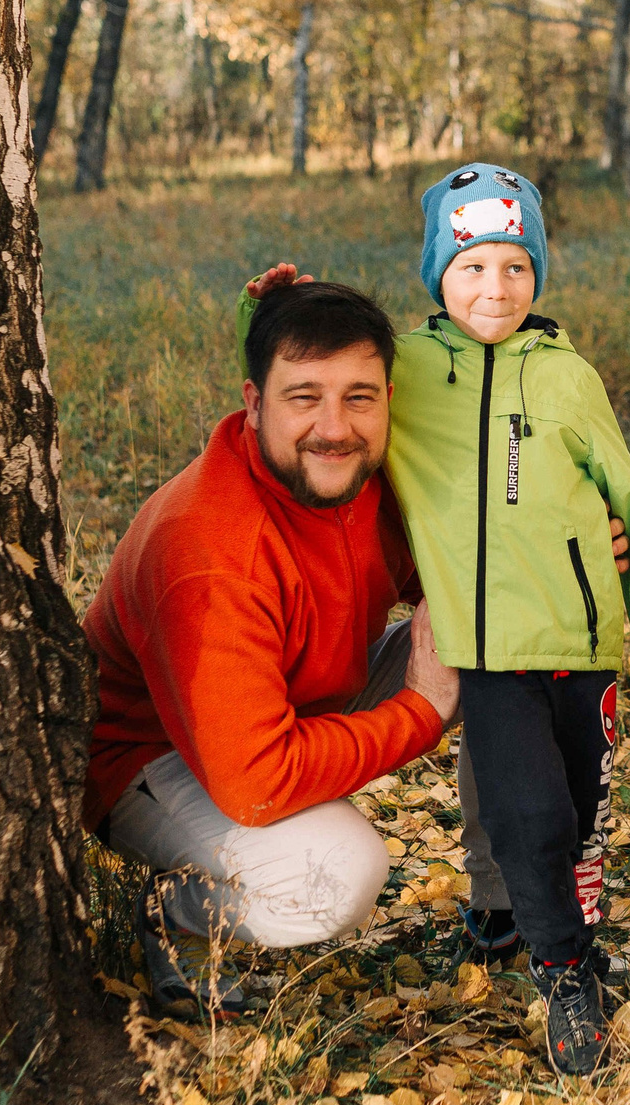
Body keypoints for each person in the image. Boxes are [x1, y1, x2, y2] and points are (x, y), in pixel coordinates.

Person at [385, 162, 630, 1076]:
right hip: (484, 646)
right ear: (439, 271)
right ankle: (564, 975)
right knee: (528, 812)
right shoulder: (405, 369)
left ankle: (568, 936)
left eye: (516, 267)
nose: (496, 287)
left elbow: (627, 500)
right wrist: (265, 314)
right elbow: (314, 379)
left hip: (581, 634)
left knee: (581, 813)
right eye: (473, 265)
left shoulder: (567, 376)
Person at [83, 279, 460, 1017]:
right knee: (339, 875)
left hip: (293, 696)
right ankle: (180, 912)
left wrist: (580, 535)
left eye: (358, 397)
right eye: (303, 397)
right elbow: (255, 778)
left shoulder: (364, 475)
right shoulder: (209, 550)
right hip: (156, 757)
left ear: (389, 396)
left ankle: (509, 909)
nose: (334, 426)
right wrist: (418, 710)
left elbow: (455, 572)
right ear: (253, 405)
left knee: (493, 643)